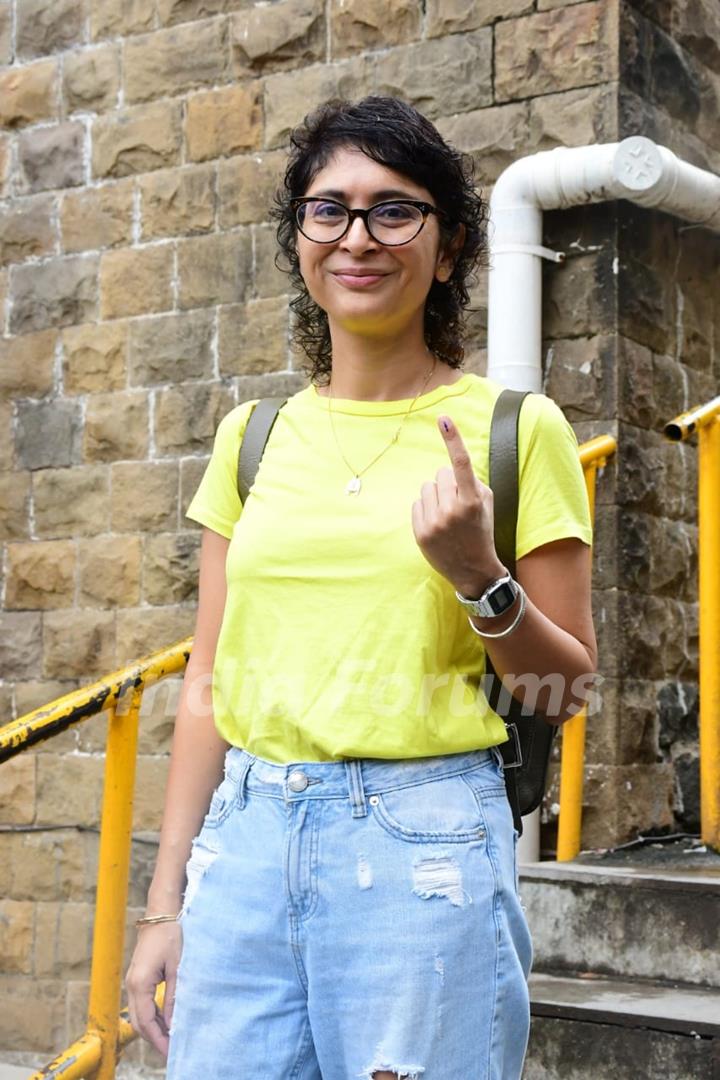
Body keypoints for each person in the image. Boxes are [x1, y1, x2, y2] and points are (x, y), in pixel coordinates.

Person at [125, 95, 596, 1079]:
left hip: (422, 849)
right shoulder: (253, 438)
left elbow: (567, 686)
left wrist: (481, 579)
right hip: (246, 849)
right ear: (300, 237)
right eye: (328, 208)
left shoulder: (517, 432)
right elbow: (209, 677)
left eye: (395, 210)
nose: (357, 236)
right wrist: (166, 903)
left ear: (452, 243)